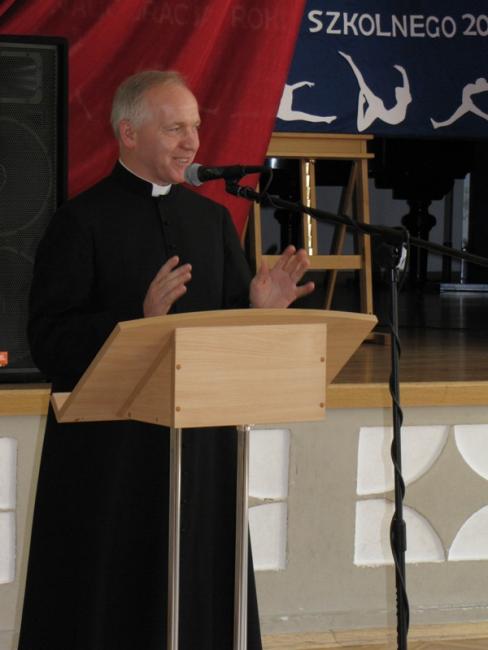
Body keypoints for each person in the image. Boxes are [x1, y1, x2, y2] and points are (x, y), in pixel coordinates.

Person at [18, 70, 315, 650]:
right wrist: (137, 320)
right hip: (110, 458)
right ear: (128, 134)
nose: (192, 143)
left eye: (195, 127)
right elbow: (48, 339)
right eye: (175, 128)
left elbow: (226, 334)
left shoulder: (210, 221)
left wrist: (257, 310)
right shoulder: (79, 221)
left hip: (201, 450)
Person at [339, 51, 412, 132]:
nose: (395, 94)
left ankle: (350, 60)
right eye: (396, 93)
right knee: (363, 86)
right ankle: (350, 60)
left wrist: (360, 103)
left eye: (396, 93)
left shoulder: (405, 100)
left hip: (382, 111)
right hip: (384, 112)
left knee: (363, 85)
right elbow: (406, 87)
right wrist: (403, 73)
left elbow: (360, 128)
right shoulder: (406, 100)